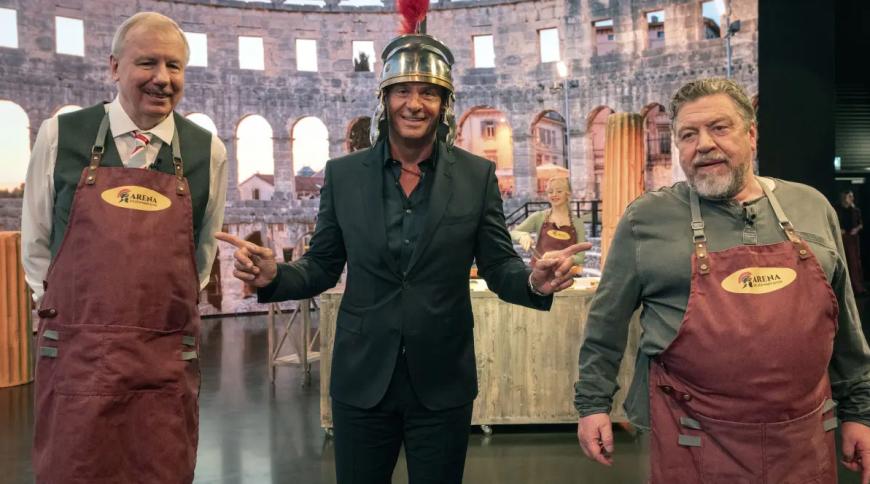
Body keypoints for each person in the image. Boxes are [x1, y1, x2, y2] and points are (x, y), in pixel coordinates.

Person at [216, 13, 587, 484]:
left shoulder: (476, 176)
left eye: (428, 92)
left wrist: (532, 281)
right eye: (403, 91)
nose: (415, 103)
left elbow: (497, 265)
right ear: (384, 98)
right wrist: (275, 277)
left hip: (443, 382)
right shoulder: (344, 176)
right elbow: (323, 266)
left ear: (444, 103)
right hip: (362, 381)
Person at [574, 78, 870, 484]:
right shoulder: (646, 220)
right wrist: (592, 404)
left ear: (751, 135)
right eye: (688, 135)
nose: (704, 144)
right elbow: (605, 322)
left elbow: (845, 327)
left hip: (801, 437)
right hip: (690, 436)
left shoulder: (811, 207)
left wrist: (860, 412)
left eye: (719, 128)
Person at [21, 12, 227, 483]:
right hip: (77, 356)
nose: (163, 78)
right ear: (114, 67)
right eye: (147, 63)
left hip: (163, 360)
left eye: (174, 66)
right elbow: (35, 243)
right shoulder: (60, 136)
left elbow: (200, 256)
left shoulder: (208, 152)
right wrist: (67, 315)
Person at [510, 176, 587, 267]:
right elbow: (513, 233)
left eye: (559, 191)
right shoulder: (539, 217)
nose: (554, 194)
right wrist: (522, 235)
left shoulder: (577, 223)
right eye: (550, 192)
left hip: (565, 273)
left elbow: (581, 257)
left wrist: (560, 256)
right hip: (539, 272)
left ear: (568, 194)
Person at [838, 189, 866, 295]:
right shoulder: (837, 209)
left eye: (851, 196)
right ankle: (845, 289)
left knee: (855, 263)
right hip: (842, 238)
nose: (851, 198)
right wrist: (839, 230)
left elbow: (860, 224)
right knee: (844, 262)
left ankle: (858, 287)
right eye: (849, 196)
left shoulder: (855, 210)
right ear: (843, 198)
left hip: (853, 238)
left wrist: (856, 229)